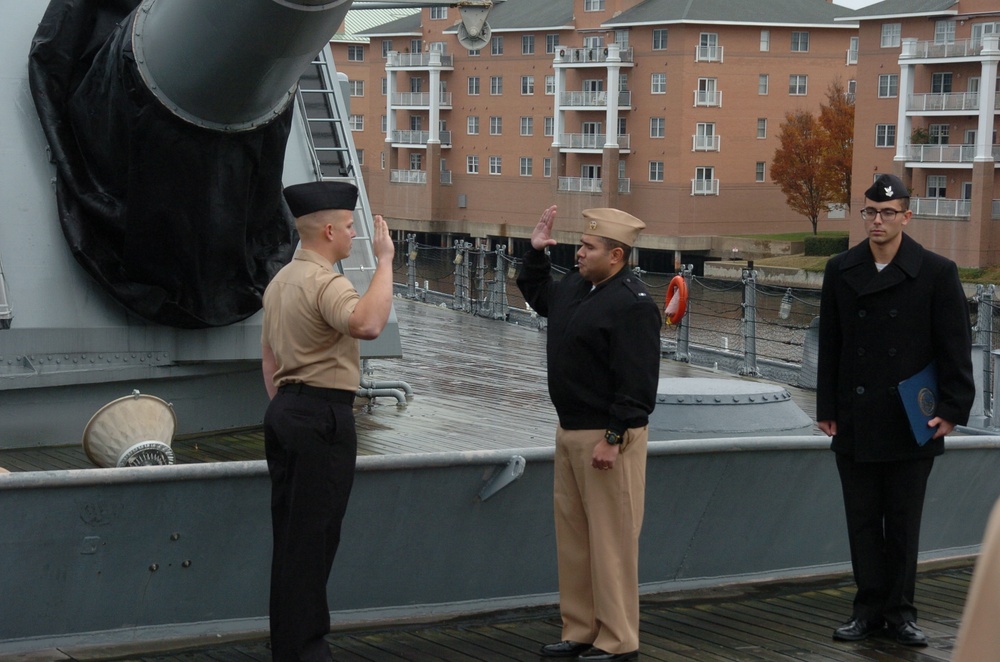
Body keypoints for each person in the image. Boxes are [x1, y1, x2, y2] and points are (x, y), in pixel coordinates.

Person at [816, 173, 975, 647]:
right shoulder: (840, 269)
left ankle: (901, 614)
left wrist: (951, 409)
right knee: (862, 520)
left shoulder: (936, 271)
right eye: (870, 211)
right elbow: (832, 345)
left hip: (912, 419)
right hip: (856, 416)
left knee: (903, 522)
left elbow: (955, 348)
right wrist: (827, 406)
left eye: (887, 212)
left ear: (907, 216)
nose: (877, 220)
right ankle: (866, 612)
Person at [517, 206, 661, 661]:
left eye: (587, 247)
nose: (577, 252)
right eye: (579, 244)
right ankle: (580, 630)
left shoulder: (633, 305)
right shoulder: (580, 288)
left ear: (616, 255)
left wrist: (613, 437)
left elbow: (638, 383)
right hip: (571, 431)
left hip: (607, 438)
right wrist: (537, 253)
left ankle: (618, 640)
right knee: (576, 540)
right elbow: (541, 296)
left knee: (611, 542)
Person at [260, 181, 395, 662]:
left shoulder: (280, 282)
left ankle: (289, 646)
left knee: (292, 538)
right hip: (321, 415)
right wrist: (384, 263)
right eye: (353, 228)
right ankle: (307, 650)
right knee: (314, 541)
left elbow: (270, 360)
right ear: (331, 229)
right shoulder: (326, 281)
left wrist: (289, 409)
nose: (356, 235)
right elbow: (366, 324)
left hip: (288, 411)